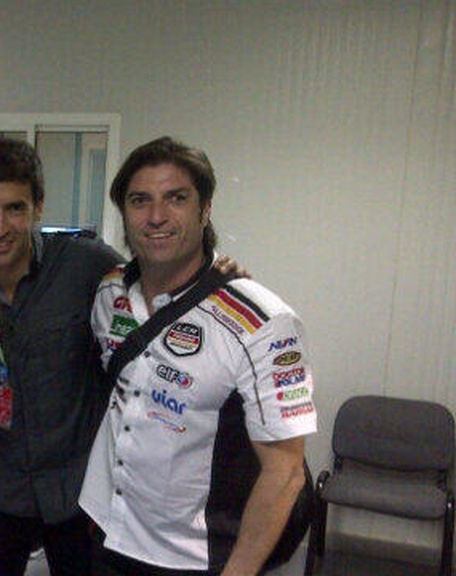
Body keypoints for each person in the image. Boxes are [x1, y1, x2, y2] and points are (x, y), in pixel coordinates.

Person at [81, 136, 316, 576]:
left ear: (204, 209)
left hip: (191, 557)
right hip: (105, 528)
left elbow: (285, 473)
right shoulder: (109, 290)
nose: (156, 217)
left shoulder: (263, 321)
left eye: (176, 199)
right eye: (140, 201)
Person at [0, 137, 123, 576]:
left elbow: (155, 288)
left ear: (38, 207)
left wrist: (216, 271)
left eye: (14, 208)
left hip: (79, 492)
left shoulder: (86, 265)